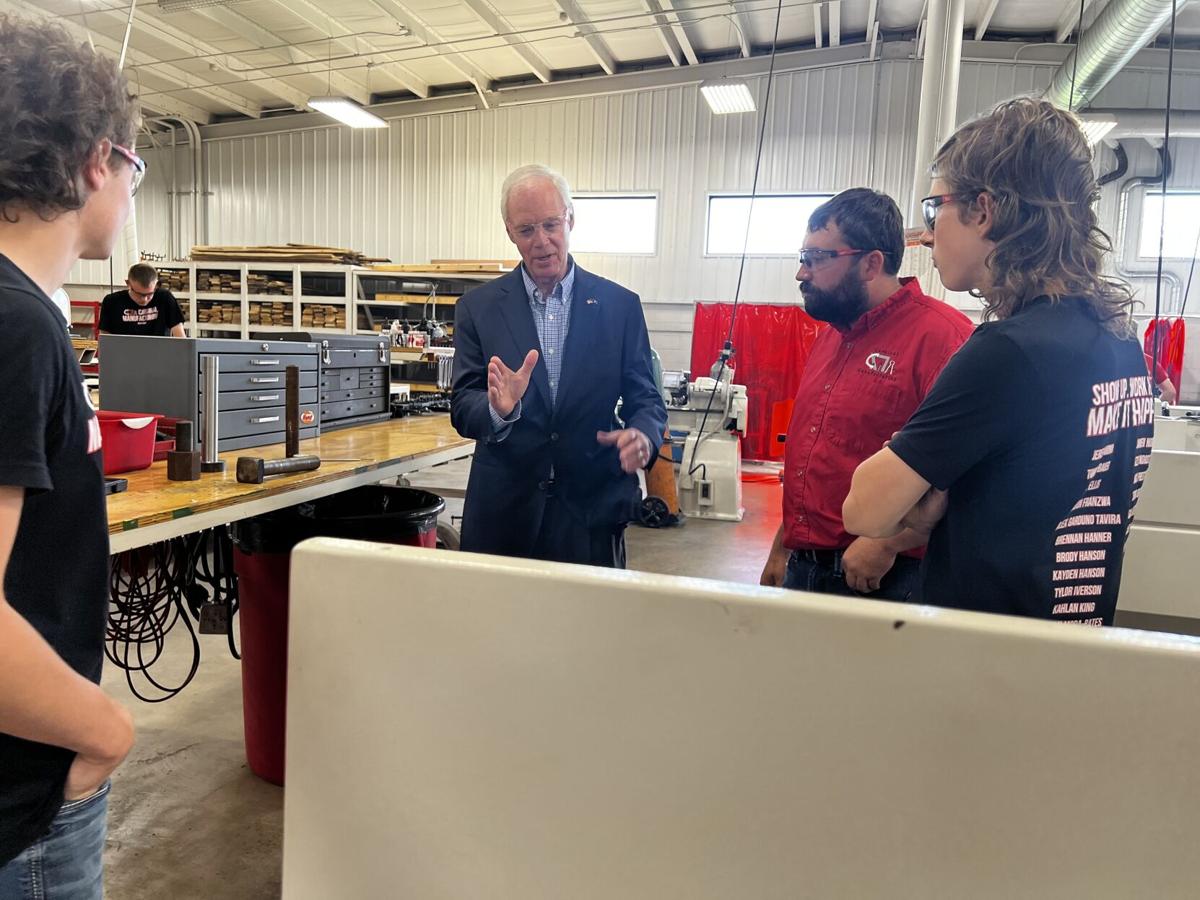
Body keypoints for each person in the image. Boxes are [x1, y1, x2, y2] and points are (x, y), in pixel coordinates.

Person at [843, 98, 1152, 627]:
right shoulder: (1118, 340)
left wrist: (919, 504)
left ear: (983, 210)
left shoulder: (1008, 351)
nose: (927, 233)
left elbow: (864, 509)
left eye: (933, 208)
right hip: (1074, 639)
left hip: (989, 651)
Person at [0, 15, 139, 897]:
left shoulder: (28, 314)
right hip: (25, 790)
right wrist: (104, 732)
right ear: (98, 161)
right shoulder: (19, 328)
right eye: (136, 168)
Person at [759, 189, 973, 600]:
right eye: (802, 258)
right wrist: (784, 544)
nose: (802, 273)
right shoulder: (830, 338)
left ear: (871, 263)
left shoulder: (943, 340)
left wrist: (889, 543)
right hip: (806, 568)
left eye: (817, 259)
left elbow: (962, 467)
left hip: (885, 577)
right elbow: (817, 458)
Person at [451, 164, 667, 566]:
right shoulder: (477, 309)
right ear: (509, 231)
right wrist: (498, 410)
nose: (541, 241)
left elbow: (647, 398)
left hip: (590, 516)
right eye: (527, 229)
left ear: (570, 219)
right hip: (504, 517)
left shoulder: (620, 307)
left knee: (587, 628)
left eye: (551, 224)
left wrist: (643, 435)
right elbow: (463, 404)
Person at [99, 262, 185, 337]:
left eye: (150, 294)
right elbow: (105, 337)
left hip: (159, 353)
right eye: (139, 294)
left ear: (156, 285)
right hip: (122, 354)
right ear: (128, 284)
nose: (144, 299)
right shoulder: (112, 302)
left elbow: (180, 335)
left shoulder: (165, 298)